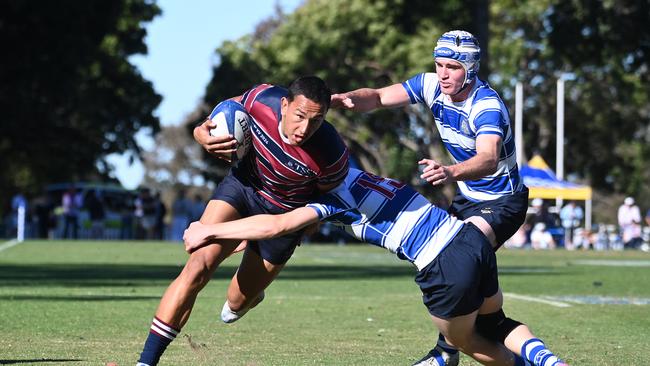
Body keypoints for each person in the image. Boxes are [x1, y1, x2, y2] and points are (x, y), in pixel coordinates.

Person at [184, 168, 567, 366]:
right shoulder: (355, 173)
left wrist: (210, 230)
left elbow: (277, 225)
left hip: (442, 263)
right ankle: (551, 361)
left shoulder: (333, 196)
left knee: (468, 341)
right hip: (470, 239)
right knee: (496, 323)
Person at [330, 30, 529, 363]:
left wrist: (450, 172)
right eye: (439, 65)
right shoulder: (430, 85)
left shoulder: (485, 105)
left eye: (452, 66)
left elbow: (488, 158)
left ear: (471, 68)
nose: (443, 73)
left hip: (503, 201)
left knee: (457, 264)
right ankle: (465, 345)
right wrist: (345, 99)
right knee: (458, 271)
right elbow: (378, 97)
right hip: (468, 198)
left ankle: (448, 351)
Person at [136, 76, 349, 366]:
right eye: (300, 116)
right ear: (284, 105)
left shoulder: (332, 155)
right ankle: (145, 363)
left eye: (316, 120)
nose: (305, 128)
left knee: (234, 305)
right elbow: (223, 110)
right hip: (243, 189)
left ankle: (250, 296)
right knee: (197, 266)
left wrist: (257, 232)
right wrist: (201, 133)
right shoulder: (261, 99)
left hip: (284, 216)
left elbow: (313, 218)